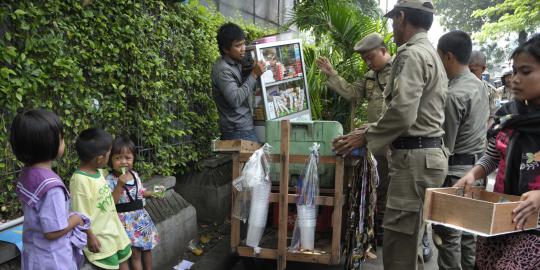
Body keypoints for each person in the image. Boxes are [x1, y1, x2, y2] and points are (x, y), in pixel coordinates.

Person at [332, 1, 448, 269]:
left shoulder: (410, 55)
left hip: (413, 160)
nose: (392, 27)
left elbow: (403, 113)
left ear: (402, 17)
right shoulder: (429, 53)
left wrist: (366, 136)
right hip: (423, 156)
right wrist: (366, 130)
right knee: (410, 244)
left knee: (399, 250)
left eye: (393, 20)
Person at [454, 33, 540, 270]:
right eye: (514, 71)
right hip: (502, 219)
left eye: (526, 71)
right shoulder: (509, 116)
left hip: (535, 229)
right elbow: (493, 155)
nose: (515, 79)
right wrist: (474, 174)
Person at [316, 32, 392, 246]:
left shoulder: (401, 70)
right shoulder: (370, 76)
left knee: (390, 186)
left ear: (384, 51)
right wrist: (332, 74)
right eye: (364, 59)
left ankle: (387, 232)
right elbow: (352, 93)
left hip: (394, 140)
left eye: (371, 57)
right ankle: (376, 230)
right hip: (373, 140)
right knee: (376, 184)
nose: (368, 62)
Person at [433, 30, 489, 270]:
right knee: (469, 235)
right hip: (477, 170)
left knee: (450, 236)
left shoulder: (453, 94)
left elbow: (447, 144)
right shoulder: (480, 86)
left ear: (448, 57)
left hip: (457, 173)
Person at [10, 109, 87, 270]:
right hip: (54, 260)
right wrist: (76, 219)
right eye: (61, 138)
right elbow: (52, 231)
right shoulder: (51, 187)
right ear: (50, 144)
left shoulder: (27, 172)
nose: (64, 142)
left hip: (33, 253)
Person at [70, 128, 132, 270]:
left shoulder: (98, 171)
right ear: (100, 158)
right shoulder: (79, 180)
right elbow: (80, 213)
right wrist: (90, 236)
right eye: (109, 153)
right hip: (100, 237)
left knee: (124, 261)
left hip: (114, 231)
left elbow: (108, 200)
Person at [106, 136, 159, 270]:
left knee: (147, 249)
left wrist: (153, 193)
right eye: (118, 158)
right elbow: (112, 202)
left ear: (133, 159)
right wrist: (119, 185)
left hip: (141, 219)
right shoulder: (110, 180)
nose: (123, 162)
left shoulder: (134, 175)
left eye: (127, 158)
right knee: (135, 254)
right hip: (125, 222)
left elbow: (140, 192)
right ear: (110, 160)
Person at [212, 22, 265, 142]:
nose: (243, 49)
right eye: (238, 46)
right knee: (255, 160)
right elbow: (235, 99)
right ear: (225, 49)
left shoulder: (237, 61)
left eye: (244, 43)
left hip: (245, 126)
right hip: (237, 130)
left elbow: (248, 86)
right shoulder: (223, 70)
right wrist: (254, 74)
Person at [469, 50, 499, 126]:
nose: (469, 74)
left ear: (483, 68)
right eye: (467, 70)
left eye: (472, 71)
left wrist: (485, 132)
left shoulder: (492, 92)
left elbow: (494, 116)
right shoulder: (457, 88)